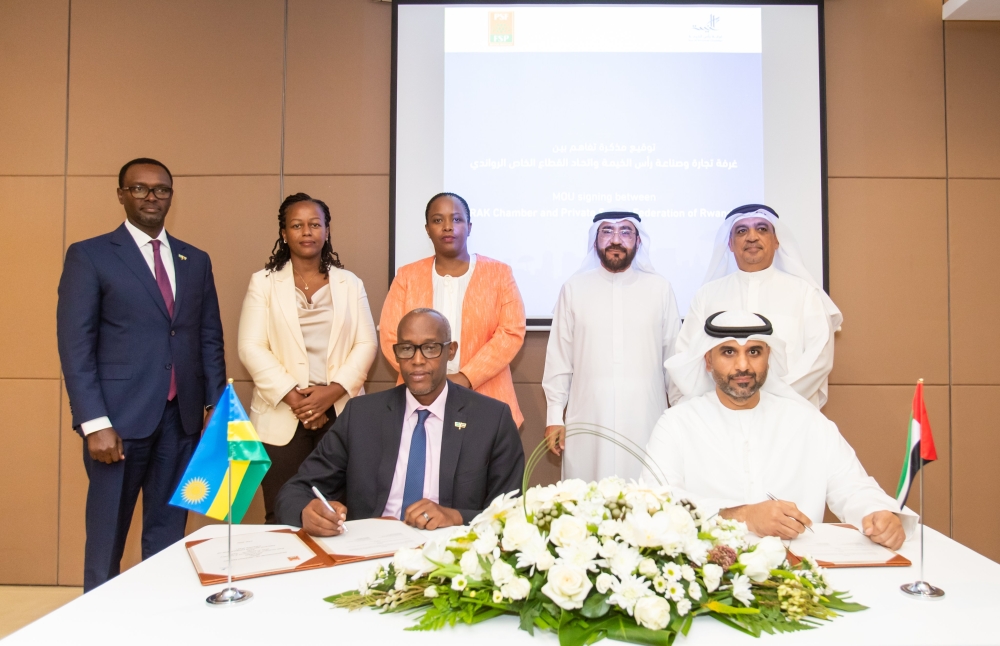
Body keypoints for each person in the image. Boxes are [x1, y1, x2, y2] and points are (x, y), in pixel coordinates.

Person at [57, 158, 226, 591]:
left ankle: (158, 615)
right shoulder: (90, 255)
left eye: (161, 189)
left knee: (168, 533)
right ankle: (98, 622)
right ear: (121, 195)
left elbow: (208, 338)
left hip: (182, 420)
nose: (152, 197)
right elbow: (76, 346)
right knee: (107, 533)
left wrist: (213, 408)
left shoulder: (196, 259)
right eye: (140, 189)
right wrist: (94, 423)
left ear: (172, 195)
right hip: (117, 423)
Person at [642, 310, 915, 550]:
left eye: (754, 352)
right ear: (708, 361)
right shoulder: (677, 424)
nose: (743, 365)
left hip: (801, 575)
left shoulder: (807, 422)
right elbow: (656, 503)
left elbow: (852, 486)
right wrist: (744, 516)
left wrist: (877, 512)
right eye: (728, 352)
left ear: (768, 358)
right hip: (707, 572)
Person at [275, 308, 524, 535]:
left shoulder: (491, 419)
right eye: (406, 348)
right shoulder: (361, 415)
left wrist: (456, 516)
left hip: (450, 554)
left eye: (430, 348)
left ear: (451, 351)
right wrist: (306, 512)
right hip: (369, 552)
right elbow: (295, 491)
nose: (417, 360)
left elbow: (512, 512)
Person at [238, 193, 377, 523]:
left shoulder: (349, 283)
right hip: (282, 413)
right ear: (284, 233)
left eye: (315, 224)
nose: (307, 232)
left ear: (327, 230)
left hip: (340, 411)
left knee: (342, 511)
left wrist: (330, 394)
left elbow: (366, 344)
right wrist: (297, 399)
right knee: (284, 512)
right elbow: (251, 347)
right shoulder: (264, 283)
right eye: (297, 225)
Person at [542, 212, 681, 482]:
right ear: (595, 241)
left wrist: (681, 416)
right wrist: (554, 416)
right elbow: (559, 358)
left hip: (646, 418)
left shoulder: (660, 289)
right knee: (587, 500)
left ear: (638, 241)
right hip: (588, 418)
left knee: (648, 498)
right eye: (607, 232)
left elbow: (673, 360)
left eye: (626, 232)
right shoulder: (573, 288)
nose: (616, 240)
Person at [673, 204, 842, 408]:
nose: (752, 237)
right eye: (742, 231)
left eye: (762, 229)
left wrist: (772, 401)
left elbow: (819, 358)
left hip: (789, 412)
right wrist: (724, 402)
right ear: (730, 244)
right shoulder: (707, 295)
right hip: (721, 415)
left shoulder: (804, 293)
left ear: (777, 240)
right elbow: (687, 356)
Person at [379, 192, 526, 427]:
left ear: (469, 227)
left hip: (485, 395)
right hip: (418, 397)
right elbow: (390, 336)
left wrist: (466, 378)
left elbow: (511, 332)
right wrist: (427, 377)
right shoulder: (407, 276)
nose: (448, 227)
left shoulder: (499, 274)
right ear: (427, 229)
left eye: (456, 220)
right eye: (438, 220)